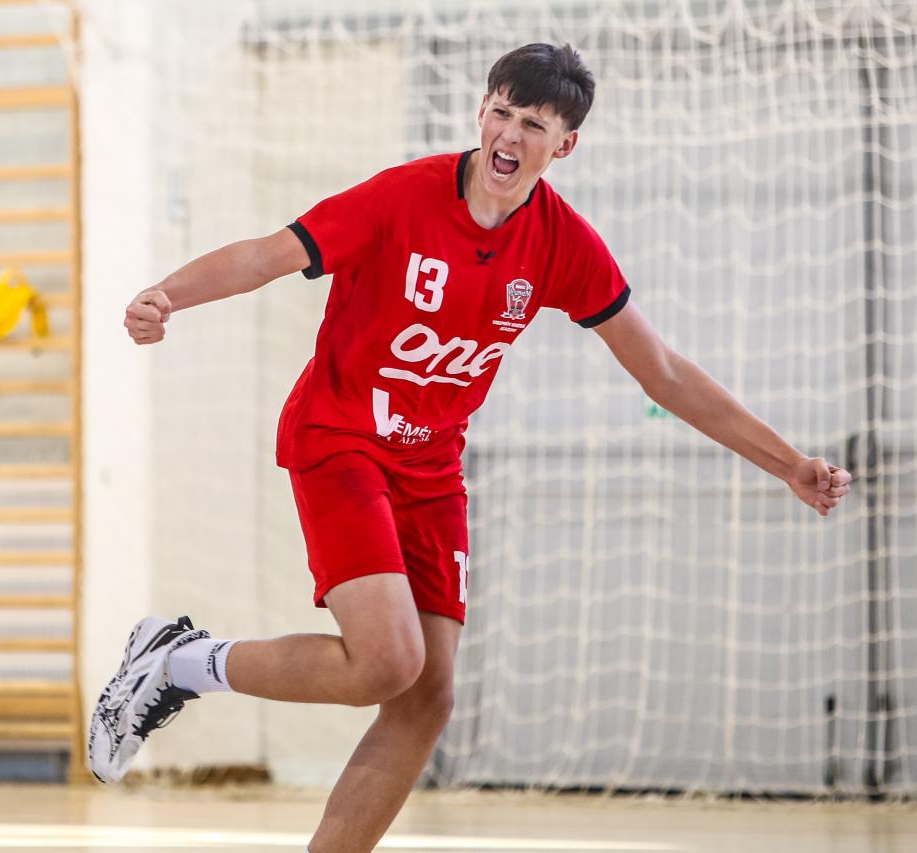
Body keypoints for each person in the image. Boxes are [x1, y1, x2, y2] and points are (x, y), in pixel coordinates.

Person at [87, 43, 852, 852]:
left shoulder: (561, 242)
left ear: (565, 145)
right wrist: (167, 294)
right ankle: (180, 661)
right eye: (502, 112)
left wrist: (789, 464)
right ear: (481, 111)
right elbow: (267, 254)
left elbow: (661, 371)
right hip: (340, 436)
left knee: (428, 697)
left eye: (534, 124)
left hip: (431, 465)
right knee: (387, 662)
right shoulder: (403, 197)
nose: (510, 134)